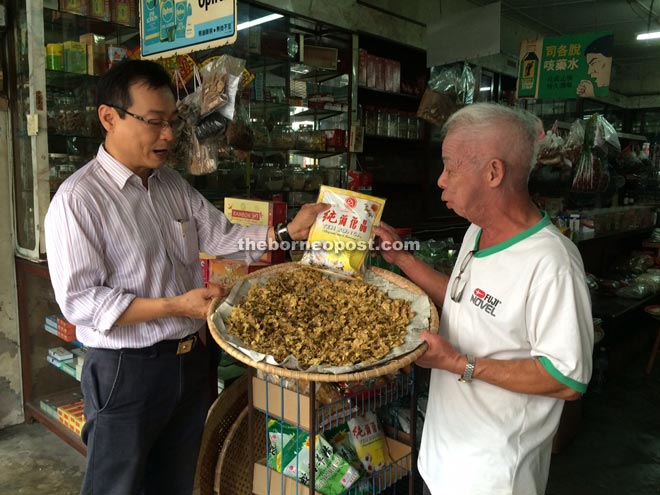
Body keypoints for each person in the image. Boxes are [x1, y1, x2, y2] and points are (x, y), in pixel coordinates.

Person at [44, 59, 326, 495]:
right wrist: (176, 306)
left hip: (192, 361)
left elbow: (223, 236)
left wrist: (289, 231)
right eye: (155, 122)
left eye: (171, 122)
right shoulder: (79, 200)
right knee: (117, 486)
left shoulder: (171, 184)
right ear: (109, 117)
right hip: (128, 372)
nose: (169, 136)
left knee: (178, 480)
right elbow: (80, 301)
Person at [376, 103, 593, 495]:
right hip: (441, 458)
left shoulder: (551, 262)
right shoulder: (476, 231)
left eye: (450, 167)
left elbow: (566, 378)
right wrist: (402, 259)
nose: (440, 180)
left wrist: (459, 363)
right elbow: (463, 301)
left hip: (492, 478)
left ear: (493, 172)